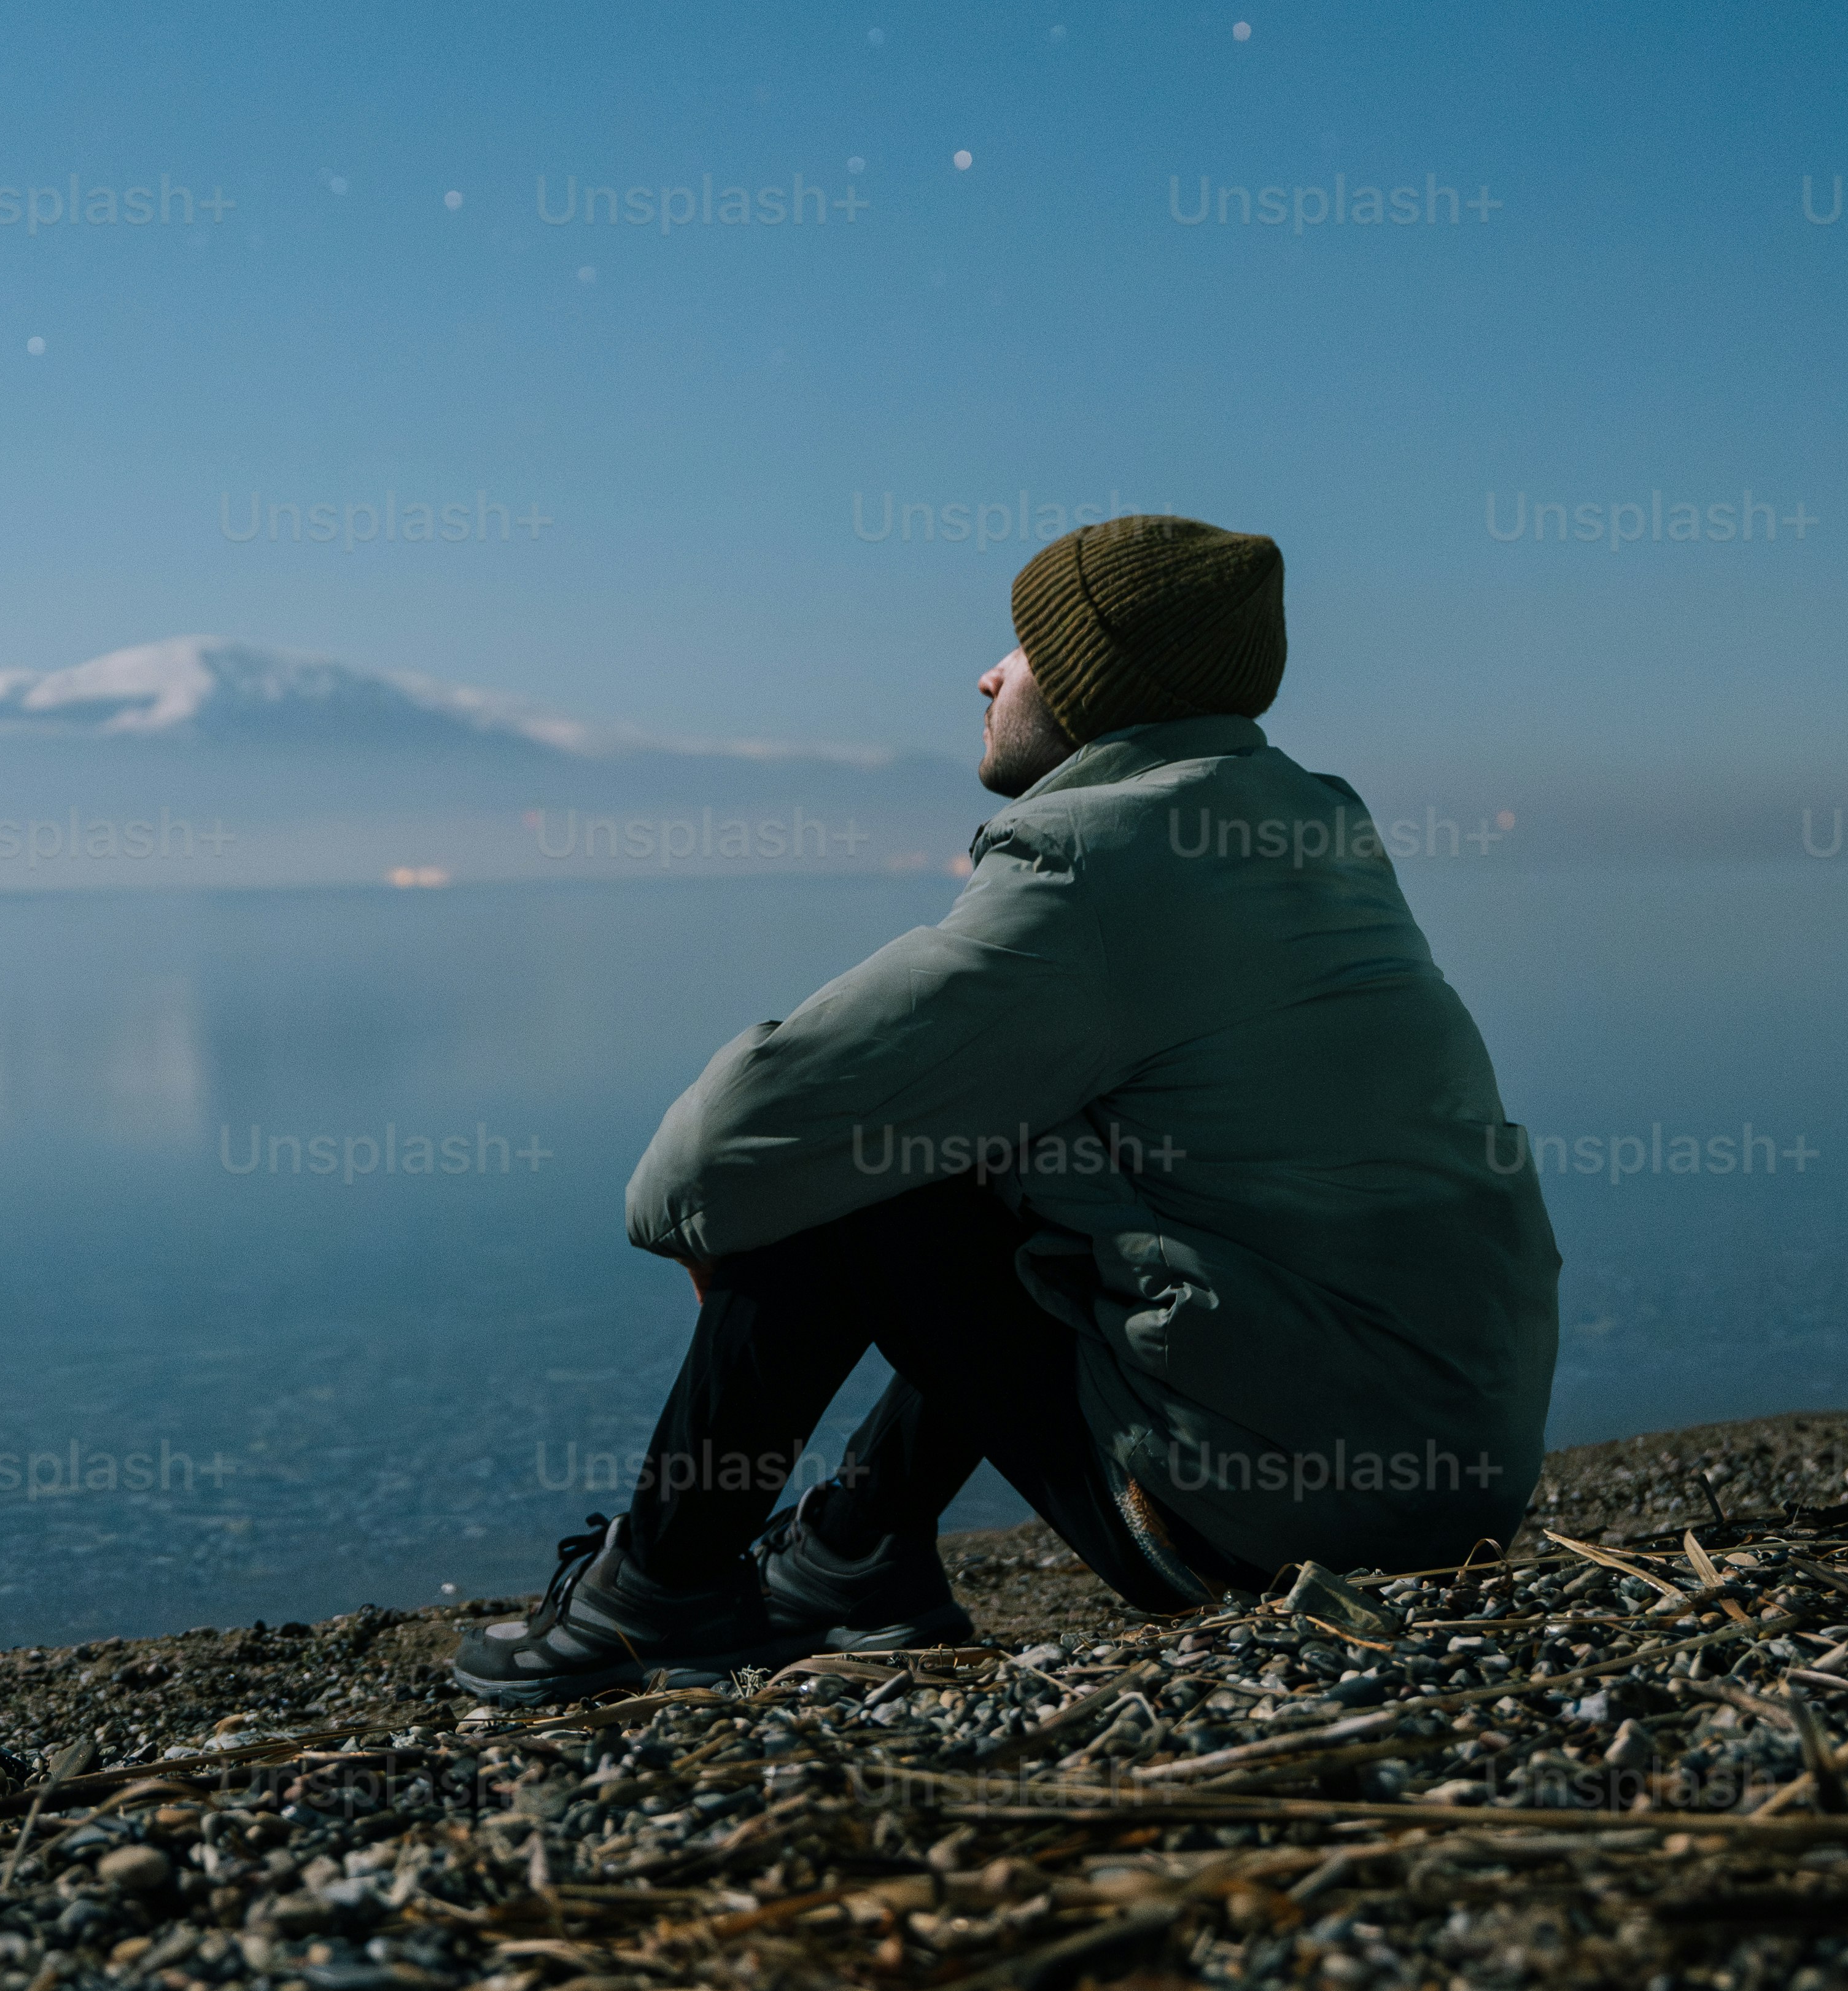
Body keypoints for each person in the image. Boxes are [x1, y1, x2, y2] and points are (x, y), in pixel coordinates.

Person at [453, 514, 1561, 1700]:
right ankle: (850, 1554)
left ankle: (656, 1594)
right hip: (1456, 1488)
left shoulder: (1097, 860)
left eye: (1027, 643)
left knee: (859, 1152)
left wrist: (716, 1229)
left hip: (1275, 1530)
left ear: (1098, 684)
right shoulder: (1310, 828)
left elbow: (731, 1140)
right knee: (989, 1130)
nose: (989, 671)